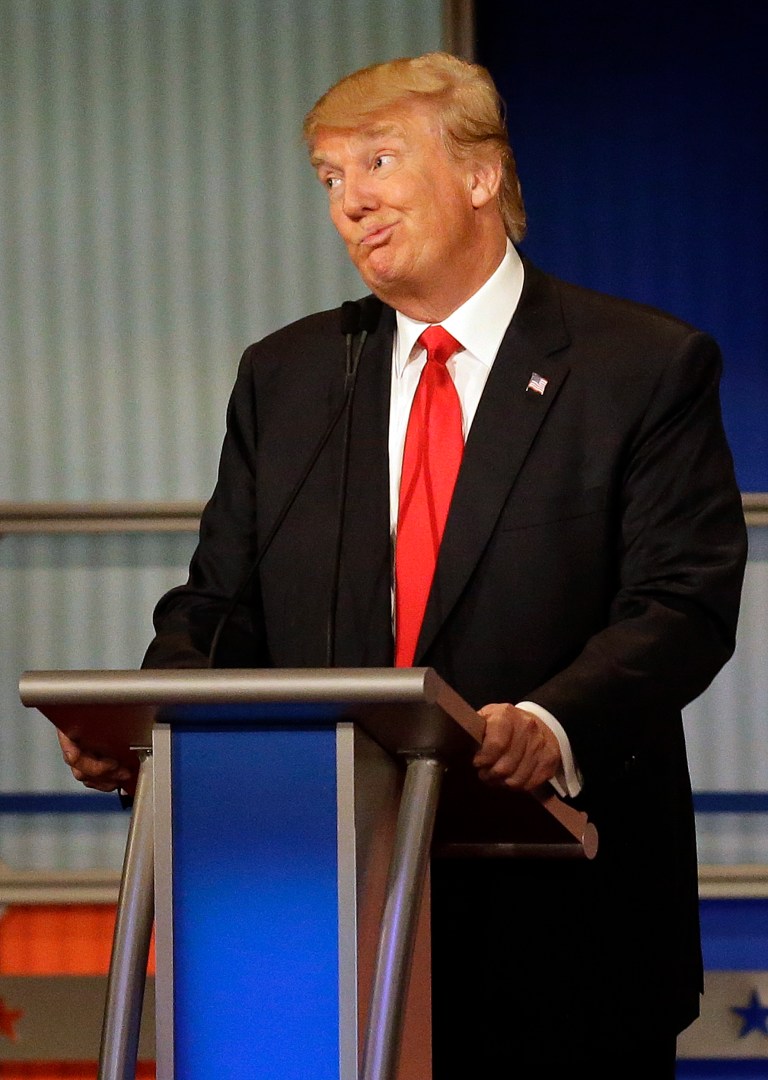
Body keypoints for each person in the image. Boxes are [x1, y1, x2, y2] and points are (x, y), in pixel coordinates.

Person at [59, 52, 747, 1075]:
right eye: (331, 179)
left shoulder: (639, 366)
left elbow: (682, 603)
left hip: (564, 927)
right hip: (315, 920)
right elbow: (219, 603)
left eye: (379, 161)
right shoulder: (290, 376)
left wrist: (553, 722)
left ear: (481, 175)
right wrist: (157, 722)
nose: (351, 204)